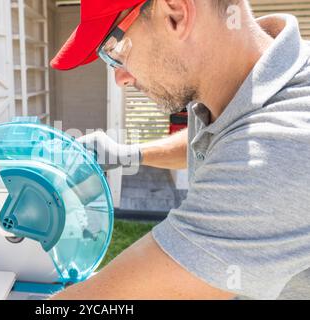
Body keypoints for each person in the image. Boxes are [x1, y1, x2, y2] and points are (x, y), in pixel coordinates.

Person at [50, 0, 310, 300]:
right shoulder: (232, 91)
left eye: (115, 51)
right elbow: (215, 144)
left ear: (175, 14)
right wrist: (129, 154)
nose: (120, 78)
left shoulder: (275, 148)